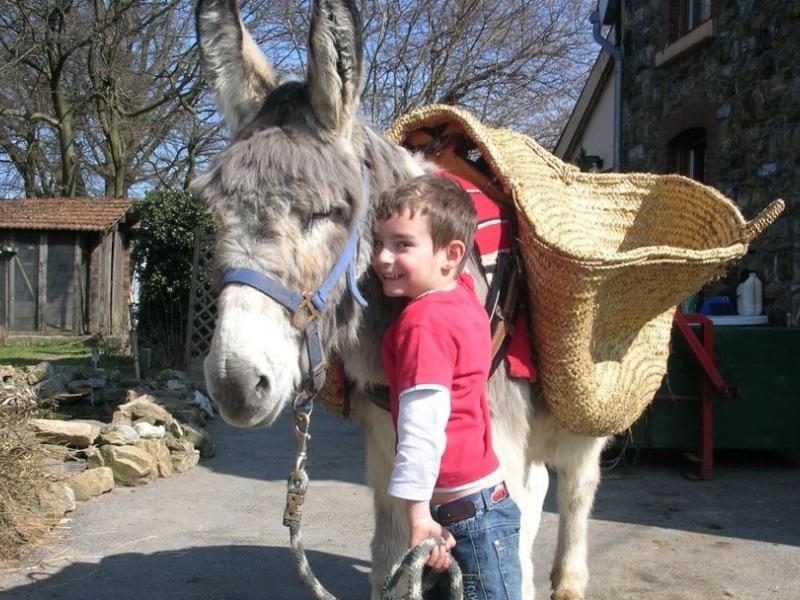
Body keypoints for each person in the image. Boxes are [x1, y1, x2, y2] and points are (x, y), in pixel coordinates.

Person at [371, 173, 522, 599]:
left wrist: (418, 516)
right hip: (478, 509)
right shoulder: (461, 295)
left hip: (463, 522)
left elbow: (421, 428)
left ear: (452, 254)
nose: (382, 258)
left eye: (402, 244)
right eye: (379, 243)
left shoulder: (424, 324)